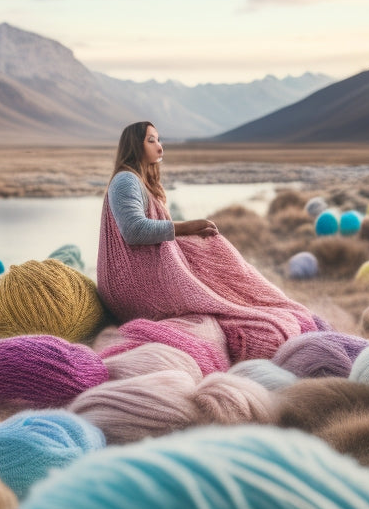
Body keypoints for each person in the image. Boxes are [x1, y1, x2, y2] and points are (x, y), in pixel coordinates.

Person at [97, 121, 317, 362]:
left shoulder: (138, 182)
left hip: (138, 278)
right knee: (222, 297)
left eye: (159, 140)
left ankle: (258, 304)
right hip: (131, 284)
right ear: (133, 145)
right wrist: (187, 227)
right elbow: (134, 230)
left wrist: (191, 234)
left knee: (217, 264)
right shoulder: (126, 180)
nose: (160, 147)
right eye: (151, 140)